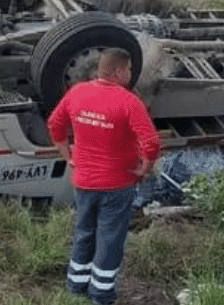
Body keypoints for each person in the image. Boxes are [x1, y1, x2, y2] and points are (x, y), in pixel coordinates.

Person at [49, 48, 161, 305]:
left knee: (84, 231)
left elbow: (55, 125)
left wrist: (69, 156)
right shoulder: (129, 101)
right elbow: (151, 143)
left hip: (85, 181)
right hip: (117, 184)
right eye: (130, 70)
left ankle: (76, 286)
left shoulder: (77, 92)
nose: (131, 74)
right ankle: (101, 293)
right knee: (110, 238)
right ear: (119, 71)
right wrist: (144, 169)